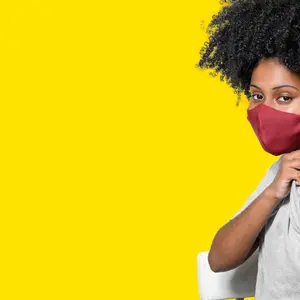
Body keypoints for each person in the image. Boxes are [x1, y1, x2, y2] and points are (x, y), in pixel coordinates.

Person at [197, 0, 300, 299]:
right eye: (256, 95)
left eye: (284, 97)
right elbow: (219, 260)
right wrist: (272, 192)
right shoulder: (282, 171)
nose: (264, 110)